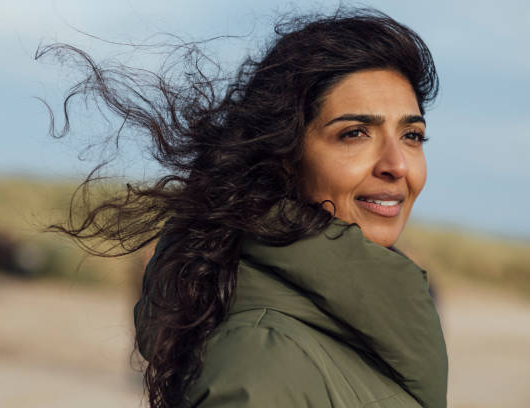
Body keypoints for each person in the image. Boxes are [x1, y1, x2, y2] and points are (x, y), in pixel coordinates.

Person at [41, 6, 448, 408]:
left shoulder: (358, 324)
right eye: (355, 133)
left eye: (412, 135)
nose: (397, 165)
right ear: (284, 156)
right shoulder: (258, 366)